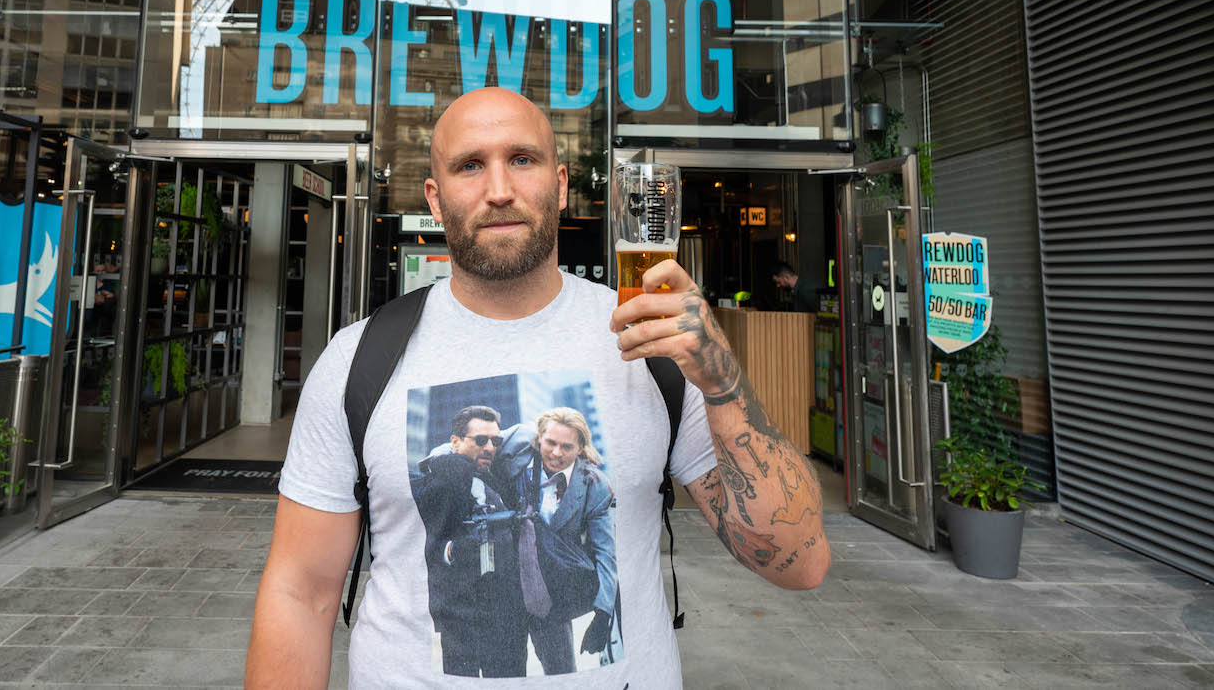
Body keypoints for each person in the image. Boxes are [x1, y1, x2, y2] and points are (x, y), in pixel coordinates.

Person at [247, 87, 829, 689]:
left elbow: (800, 561)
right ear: (435, 197)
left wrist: (722, 383)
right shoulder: (358, 361)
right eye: (469, 165)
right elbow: (301, 594)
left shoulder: (650, 349)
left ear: (559, 181)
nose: (499, 188)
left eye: (521, 159)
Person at [490, 407, 617, 674]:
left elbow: (605, 552)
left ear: (581, 447)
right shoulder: (518, 442)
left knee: (563, 675)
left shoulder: (595, 485)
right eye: (550, 443)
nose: (556, 453)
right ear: (539, 438)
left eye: (567, 446)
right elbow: (471, 440)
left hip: (551, 600)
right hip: (506, 594)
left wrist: (603, 612)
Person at [410, 405, 527, 676]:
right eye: (481, 440)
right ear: (455, 442)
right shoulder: (446, 477)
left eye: (496, 441)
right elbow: (422, 542)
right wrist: (453, 551)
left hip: (506, 619)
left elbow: (532, 433)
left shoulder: (499, 475)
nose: (490, 447)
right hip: (462, 616)